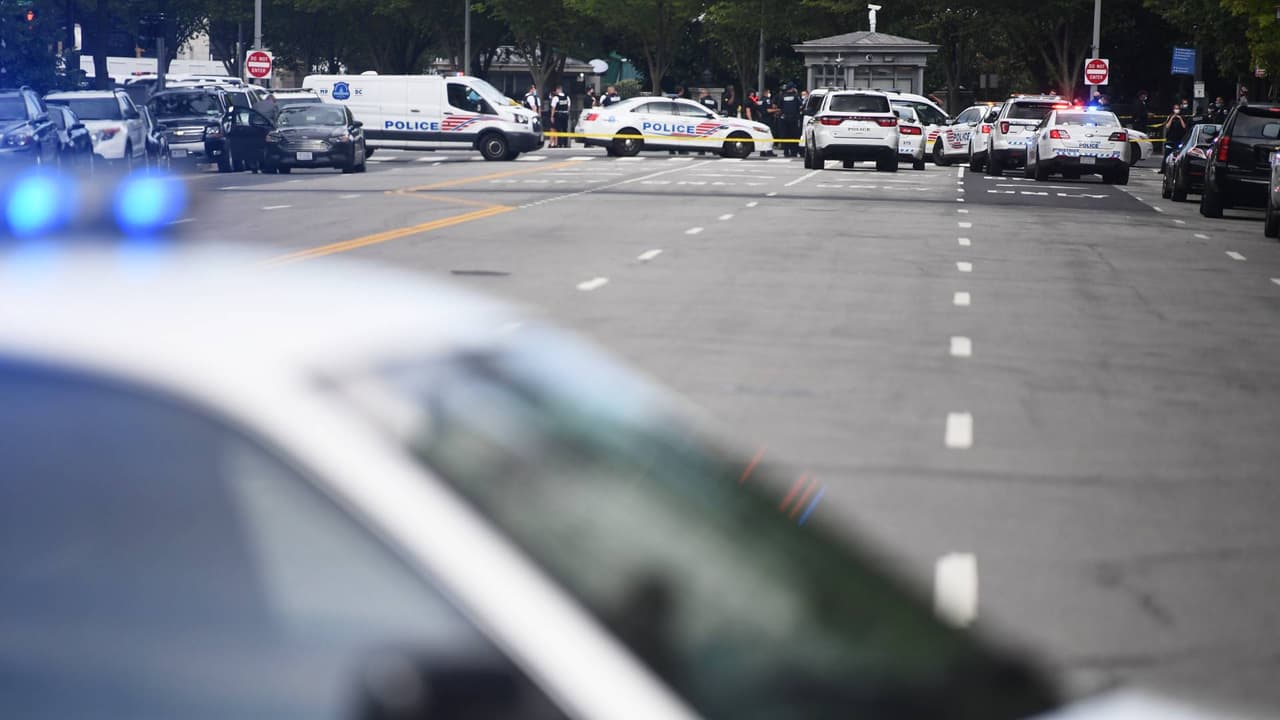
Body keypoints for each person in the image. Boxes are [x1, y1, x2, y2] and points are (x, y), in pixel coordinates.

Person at [1161, 102, 1188, 171]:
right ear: (1173, 110)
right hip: (1170, 139)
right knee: (1167, 154)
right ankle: (1163, 169)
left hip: (1179, 139)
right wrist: (1172, 118)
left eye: (1178, 108)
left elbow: (1184, 127)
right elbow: (1167, 127)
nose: (1177, 110)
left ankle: (1176, 169)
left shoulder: (1182, 117)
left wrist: (1180, 118)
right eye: (1175, 109)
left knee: (1178, 155)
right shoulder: (1170, 117)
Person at [778, 82, 802, 158]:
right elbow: (800, 106)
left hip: (784, 118)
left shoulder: (782, 96)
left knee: (785, 135)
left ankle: (786, 151)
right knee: (794, 135)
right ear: (792, 89)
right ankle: (793, 152)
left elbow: (779, 106)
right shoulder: (796, 96)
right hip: (793, 118)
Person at [759, 88, 777, 156]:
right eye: (768, 92)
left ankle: (762, 151)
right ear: (766, 92)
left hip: (761, 120)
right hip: (768, 120)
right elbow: (768, 110)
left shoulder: (760, 100)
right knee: (770, 136)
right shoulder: (767, 100)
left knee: (763, 136)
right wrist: (776, 110)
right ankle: (769, 151)